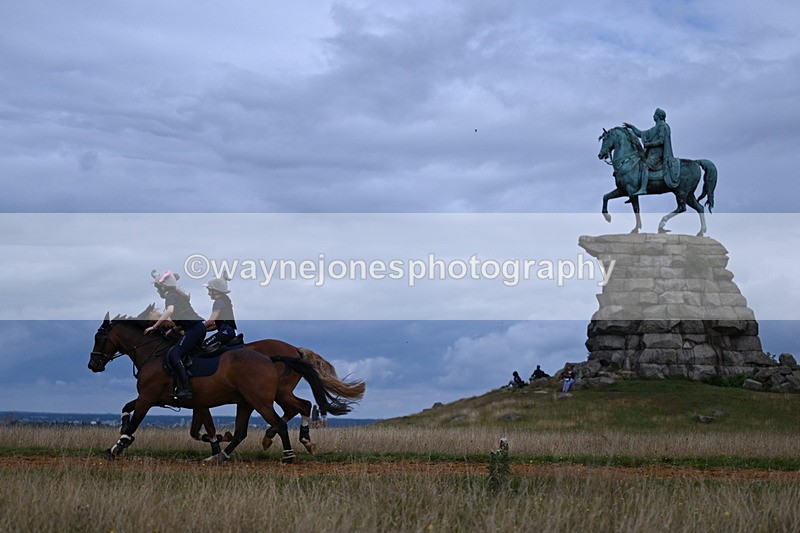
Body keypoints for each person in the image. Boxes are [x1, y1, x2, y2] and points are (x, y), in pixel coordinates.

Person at [145, 269, 205, 400]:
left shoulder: (170, 295)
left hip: (194, 329)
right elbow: (185, 320)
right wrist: (173, 330)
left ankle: (187, 388)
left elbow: (169, 311)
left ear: (163, 286)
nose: (157, 290)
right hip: (197, 328)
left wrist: (155, 326)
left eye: (157, 287)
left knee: (174, 354)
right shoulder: (177, 295)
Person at [623, 108, 680, 195]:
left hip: (658, 155)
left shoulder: (663, 127)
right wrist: (632, 127)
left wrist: (649, 145)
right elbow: (641, 133)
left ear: (659, 116)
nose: (653, 116)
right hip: (651, 154)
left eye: (655, 114)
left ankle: (643, 188)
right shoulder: (655, 128)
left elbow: (661, 141)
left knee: (645, 165)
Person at [202, 275, 237, 348]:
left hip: (224, 333)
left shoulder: (218, 302)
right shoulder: (226, 300)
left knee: (202, 346)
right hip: (230, 332)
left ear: (215, 291)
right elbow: (216, 325)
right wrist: (204, 329)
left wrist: (199, 327)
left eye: (209, 290)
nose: (208, 293)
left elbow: (211, 322)